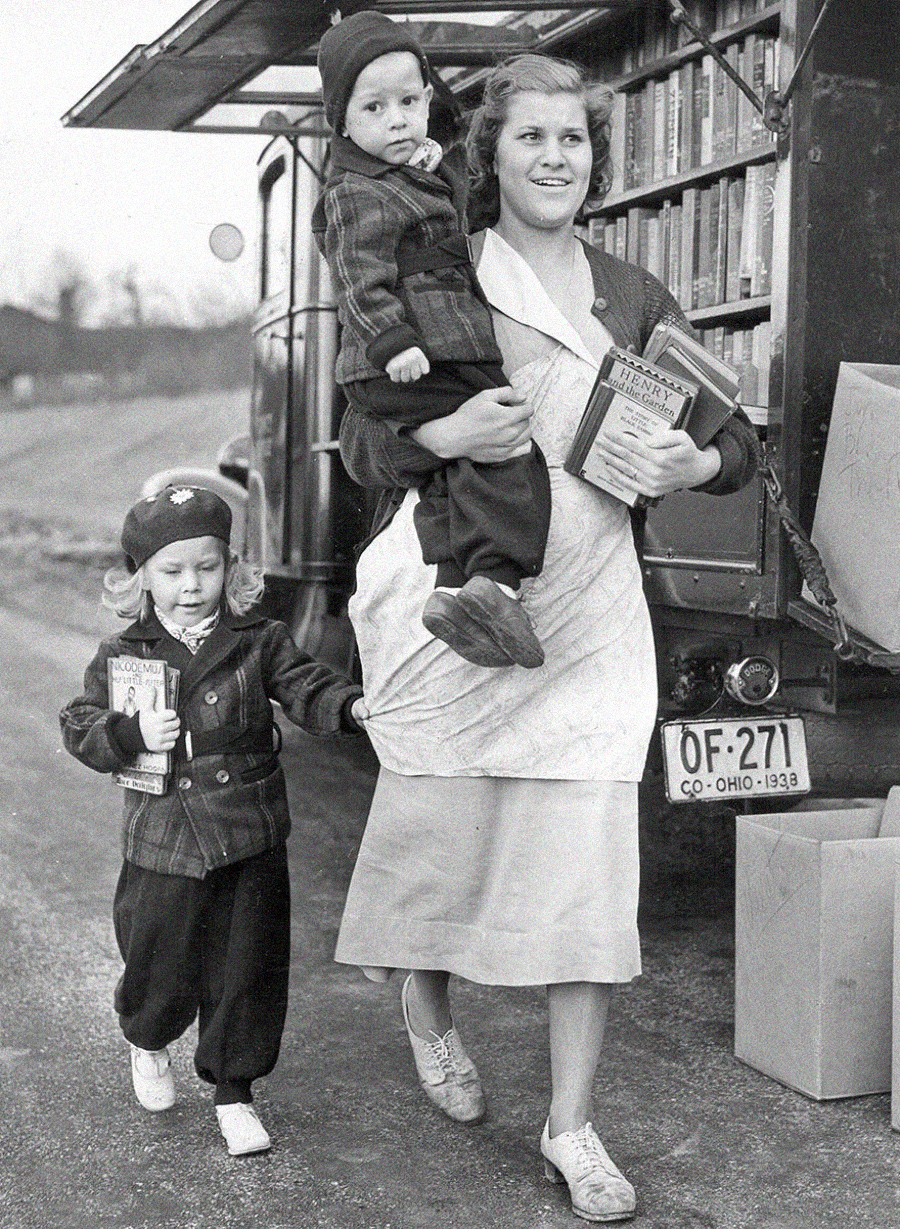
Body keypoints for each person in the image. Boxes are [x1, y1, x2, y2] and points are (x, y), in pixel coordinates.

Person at [335, 55, 758, 1223]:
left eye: (574, 139)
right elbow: (368, 446)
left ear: (595, 160)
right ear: (493, 155)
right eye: (532, 138)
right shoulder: (439, 271)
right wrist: (449, 430)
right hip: (458, 598)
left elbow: (742, 448)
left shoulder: (635, 296)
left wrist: (697, 459)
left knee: (586, 877)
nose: (556, 157)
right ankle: (425, 1004)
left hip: (590, 609)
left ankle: (572, 1123)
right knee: (439, 838)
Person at [59, 485, 365, 1158]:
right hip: (163, 837)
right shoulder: (122, 651)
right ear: (140, 578)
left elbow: (307, 684)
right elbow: (78, 724)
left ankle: (234, 1090)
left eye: (208, 566)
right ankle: (148, 1034)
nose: (192, 585)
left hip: (248, 832)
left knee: (246, 964)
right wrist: (129, 729)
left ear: (232, 567)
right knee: (158, 962)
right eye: (172, 571)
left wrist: (350, 707)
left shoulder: (259, 639)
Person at [312, 10, 550, 670]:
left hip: (427, 348)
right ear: (343, 122)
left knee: (465, 469)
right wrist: (393, 342)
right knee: (509, 453)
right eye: (376, 107)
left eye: (411, 102)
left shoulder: (402, 175)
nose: (398, 120)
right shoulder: (354, 190)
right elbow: (359, 275)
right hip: (420, 352)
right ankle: (493, 587)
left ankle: (456, 591)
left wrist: (427, 168)